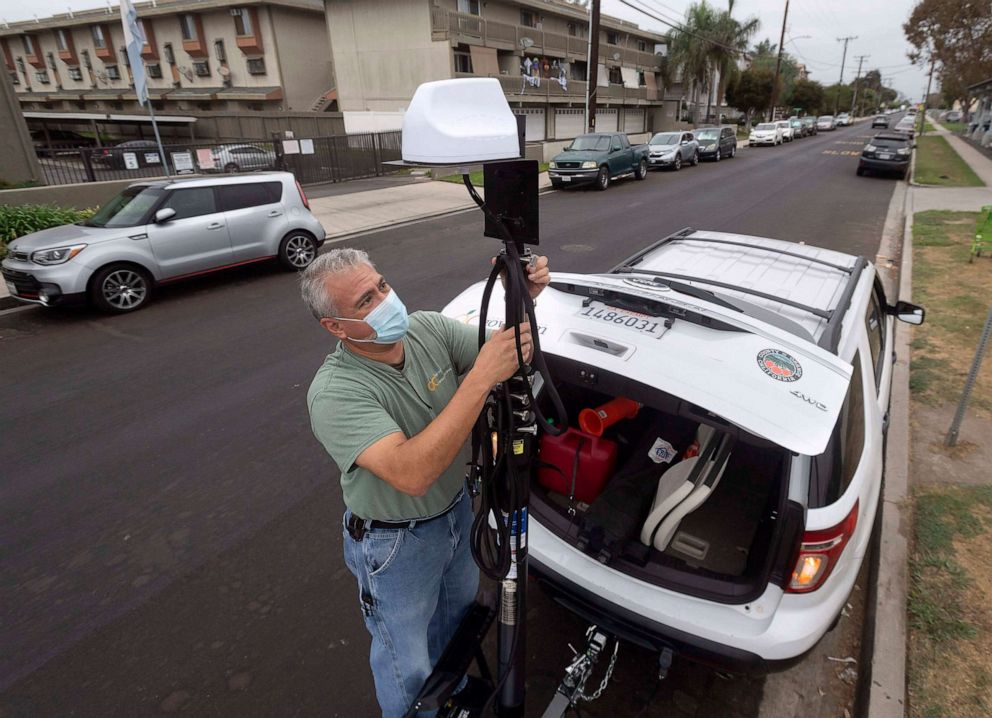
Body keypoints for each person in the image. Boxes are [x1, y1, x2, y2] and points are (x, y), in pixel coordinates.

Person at [301, 248, 550, 717]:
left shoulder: (426, 329)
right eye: (364, 302)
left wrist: (525, 298)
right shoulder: (336, 391)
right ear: (335, 327)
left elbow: (505, 354)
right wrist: (478, 381)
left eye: (382, 286)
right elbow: (411, 472)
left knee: (455, 629)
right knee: (408, 664)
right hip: (397, 543)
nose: (385, 300)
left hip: (456, 516)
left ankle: (451, 700)